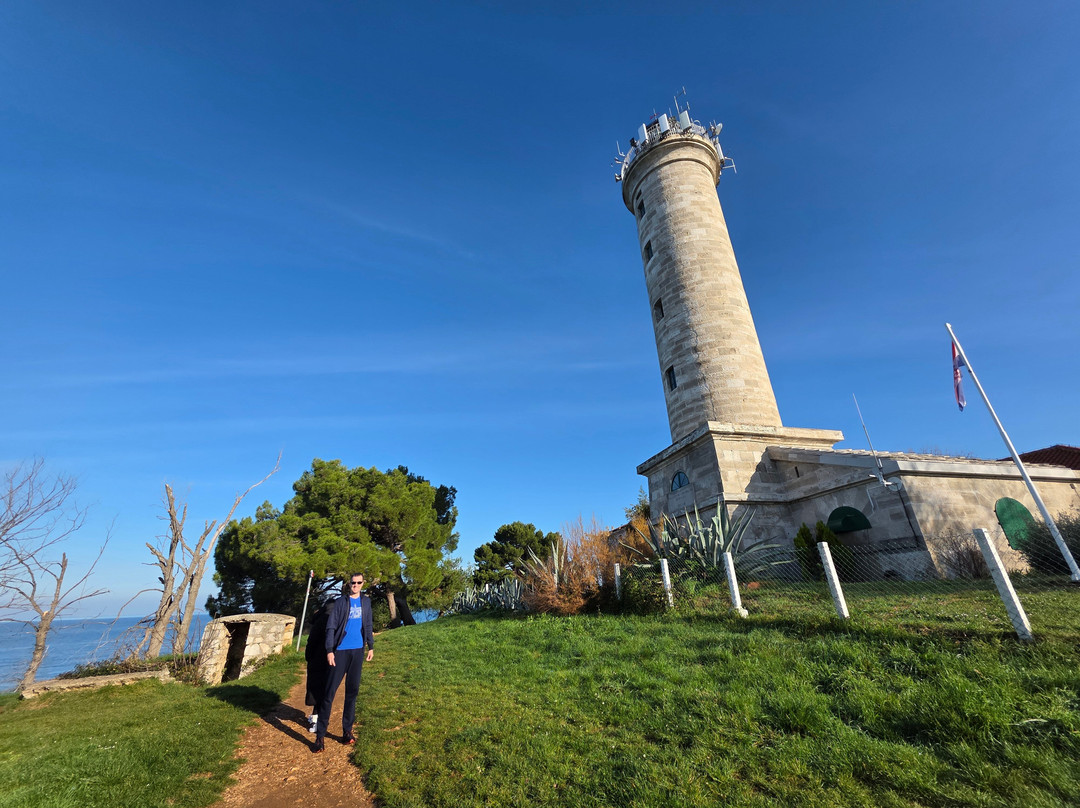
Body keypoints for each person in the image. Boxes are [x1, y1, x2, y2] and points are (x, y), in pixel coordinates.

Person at [313, 573, 374, 753]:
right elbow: (331, 626)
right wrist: (330, 650)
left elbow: (368, 624)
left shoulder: (366, 602)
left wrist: (370, 646)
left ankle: (347, 732)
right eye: (353, 583)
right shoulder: (341, 602)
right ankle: (320, 737)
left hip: (357, 651)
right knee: (329, 693)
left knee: (352, 692)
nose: (355, 585)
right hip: (340, 652)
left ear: (363, 584)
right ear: (349, 584)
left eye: (359, 583)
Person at [303, 603, 331, 733]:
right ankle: (318, 718)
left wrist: (308, 657)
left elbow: (312, 641)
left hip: (317, 659)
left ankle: (316, 718)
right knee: (326, 689)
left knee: (315, 688)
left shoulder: (320, 619)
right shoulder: (337, 618)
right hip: (332, 659)